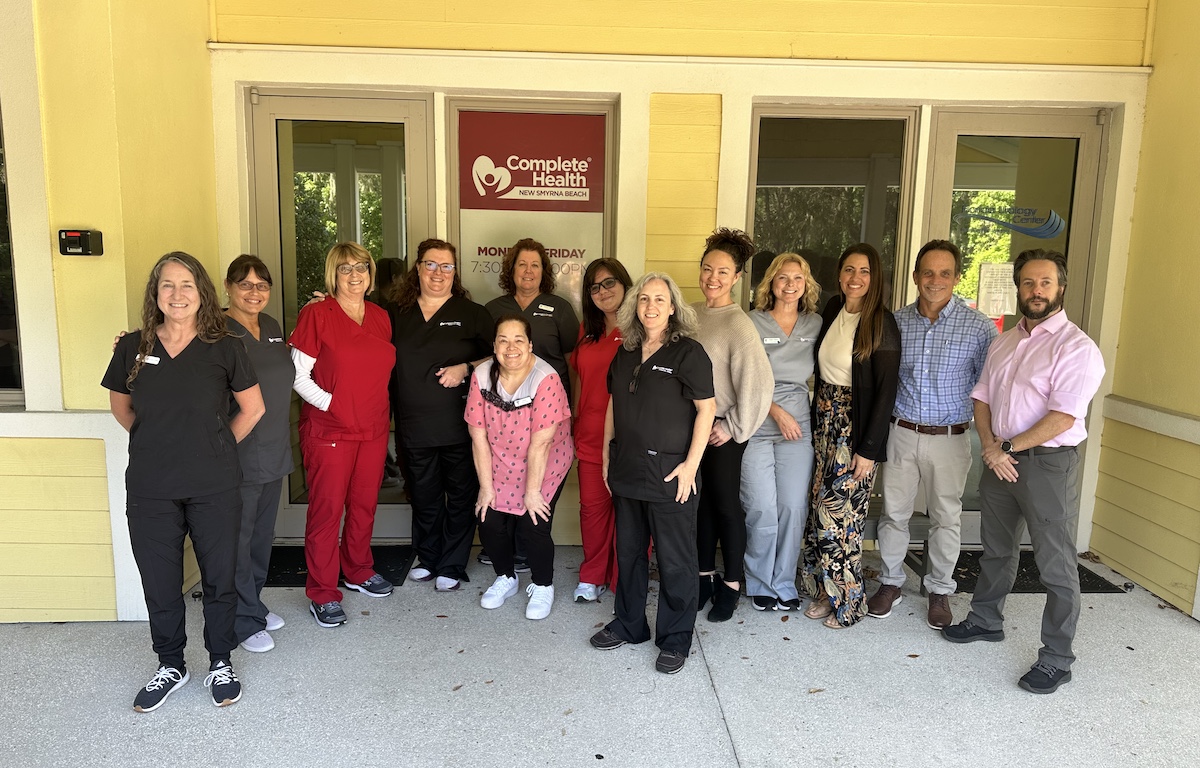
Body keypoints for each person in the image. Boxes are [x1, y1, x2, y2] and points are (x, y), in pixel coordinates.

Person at [103, 251, 265, 711]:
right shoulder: (132, 346)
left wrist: (216, 445)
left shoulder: (226, 346)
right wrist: (158, 442)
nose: (177, 294)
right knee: (159, 581)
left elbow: (253, 409)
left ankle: (220, 661)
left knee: (219, 578)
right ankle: (170, 664)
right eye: (168, 285)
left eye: (187, 284)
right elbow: (121, 407)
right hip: (151, 485)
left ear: (202, 293)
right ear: (156, 293)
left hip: (214, 485)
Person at [942, 249, 1104, 695]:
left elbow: (1064, 416)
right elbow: (982, 397)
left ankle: (1057, 658)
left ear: (1061, 287)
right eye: (1028, 282)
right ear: (1018, 287)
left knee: (1055, 564)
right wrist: (990, 447)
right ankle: (985, 619)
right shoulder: (1005, 341)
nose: (1036, 290)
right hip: (999, 460)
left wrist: (1006, 447)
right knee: (996, 549)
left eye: (1045, 282)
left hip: (1047, 465)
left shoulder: (1076, 348)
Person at [588, 273, 716, 676]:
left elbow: (707, 410)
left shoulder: (688, 353)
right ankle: (629, 624)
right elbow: (613, 405)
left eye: (660, 299)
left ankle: (675, 638)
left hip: (671, 473)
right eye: (644, 299)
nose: (651, 306)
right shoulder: (625, 352)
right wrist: (607, 455)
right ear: (635, 306)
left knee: (676, 560)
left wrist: (691, 465)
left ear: (673, 307)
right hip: (627, 469)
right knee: (629, 554)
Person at [866, 240, 997, 629]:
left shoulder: (979, 327)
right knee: (895, 513)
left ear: (956, 278)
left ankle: (939, 589)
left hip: (950, 438)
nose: (935, 280)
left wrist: (994, 439)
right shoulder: (895, 323)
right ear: (915, 277)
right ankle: (891, 582)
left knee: (946, 517)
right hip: (902, 432)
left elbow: (989, 389)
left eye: (944, 273)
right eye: (928, 272)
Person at [290, 242, 397, 629]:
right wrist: (332, 405)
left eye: (361, 267)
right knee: (327, 511)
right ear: (333, 275)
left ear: (370, 275)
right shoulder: (317, 314)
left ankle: (358, 569)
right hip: (329, 430)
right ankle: (322, 591)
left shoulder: (381, 317)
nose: (355, 275)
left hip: (372, 429)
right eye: (345, 268)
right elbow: (297, 376)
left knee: (364, 505)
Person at [801, 243, 900, 629]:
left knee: (838, 517)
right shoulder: (832, 309)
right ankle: (826, 592)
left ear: (875, 278)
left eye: (864, 271)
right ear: (839, 275)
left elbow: (886, 392)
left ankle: (850, 603)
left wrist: (869, 449)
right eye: (849, 270)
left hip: (854, 431)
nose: (855, 278)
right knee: (818, 512)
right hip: (824, 423)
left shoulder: (881, 323)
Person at [388, 238, 493, 592]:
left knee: (461, 494)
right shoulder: (395, 312)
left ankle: (452, 563)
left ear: (455, 272)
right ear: (418, 268)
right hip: (413, 423)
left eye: (446, 266)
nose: (438, 273)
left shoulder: (472, 313)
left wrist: (466, 367)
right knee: (424, 494)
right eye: (431, 265)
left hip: (460, 424)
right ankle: (429, 557)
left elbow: (501, 355)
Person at [466, 315, 575, 619]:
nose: (510, 347)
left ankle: (542, 585)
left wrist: (532, 492)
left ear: (530, 345)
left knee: (533, 522)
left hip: (545, 459)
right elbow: (478, 435)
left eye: (518, 340)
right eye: (503, 340)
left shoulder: (546, 378)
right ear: (494, 346)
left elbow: (542, 443)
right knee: (488, 518)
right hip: (500, 457)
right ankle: (506, 577)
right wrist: (486, 488)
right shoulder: (482, 375)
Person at [692, 228, 773, 622]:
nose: (713, 278)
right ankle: (704, 576)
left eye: (723, 272)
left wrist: (733, 426)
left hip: (723, 431)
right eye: (708, 269)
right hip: (694, 428)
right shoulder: (691, 314)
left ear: (737, 277)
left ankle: (732, 583)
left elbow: (759, 385)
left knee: (725, 505)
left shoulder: (739, 325)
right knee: (701, 505)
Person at [740, 253, 822, 611]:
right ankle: (760, 581)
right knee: (761, 508)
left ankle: (784, 581)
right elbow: (744, 376)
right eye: (783, 278)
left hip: (798, 427)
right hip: (758, 421)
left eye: (797, 278)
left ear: (806, 285)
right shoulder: (752, 322)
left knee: (792, 507)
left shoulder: (815, 324)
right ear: (771, 283)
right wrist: (775, 411)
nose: (790, 285)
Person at [223, 255, 296, 653]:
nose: (254, 292)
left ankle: (253, 603)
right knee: (238, 539)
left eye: (262, 285)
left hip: (273, 448)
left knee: (261, 537)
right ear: (228, 287)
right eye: (245, 284)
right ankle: (242, 619)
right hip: (239, 450)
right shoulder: (214, 330)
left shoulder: (270, 327)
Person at [569, 258, 633, 603]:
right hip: (590, 435)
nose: (603, 291)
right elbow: (581, 379)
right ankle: (592, 575)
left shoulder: (641, 329)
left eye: (609, 283)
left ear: (624, 284)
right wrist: (574, 421)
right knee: (592, 510)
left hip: (630, 438)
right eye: (595, 287)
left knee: (630, 514)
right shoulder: (587, 330)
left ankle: (625, 577)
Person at [485, 238, 580, 386]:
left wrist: (573, 399)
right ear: (512, 270)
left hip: (552, 394)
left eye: (535, 265)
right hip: (505, 395)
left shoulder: (560, 308)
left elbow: (573, 363)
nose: (528, 270)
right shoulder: (493, 309)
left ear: (543, 272)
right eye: (522, 264)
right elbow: (485, 359)